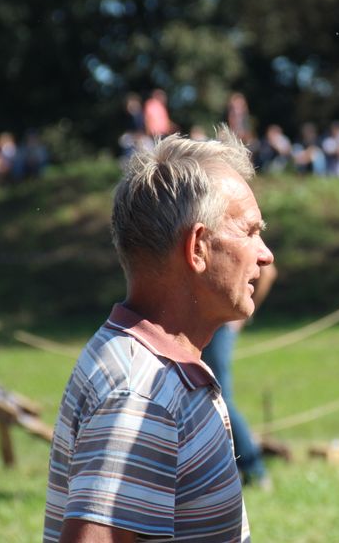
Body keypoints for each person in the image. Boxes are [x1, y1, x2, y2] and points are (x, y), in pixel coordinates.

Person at [43, 126, 273, 543]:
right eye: (250, 231)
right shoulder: (141, 393)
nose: (265, 253)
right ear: (198, 248)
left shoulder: (163, 372)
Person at [201, 263, 277, 488]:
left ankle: (256, 469)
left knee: (219, 398)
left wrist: (244, 314)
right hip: (210, 322)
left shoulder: (237, 235)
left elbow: (268, 272)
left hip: (220, 324)